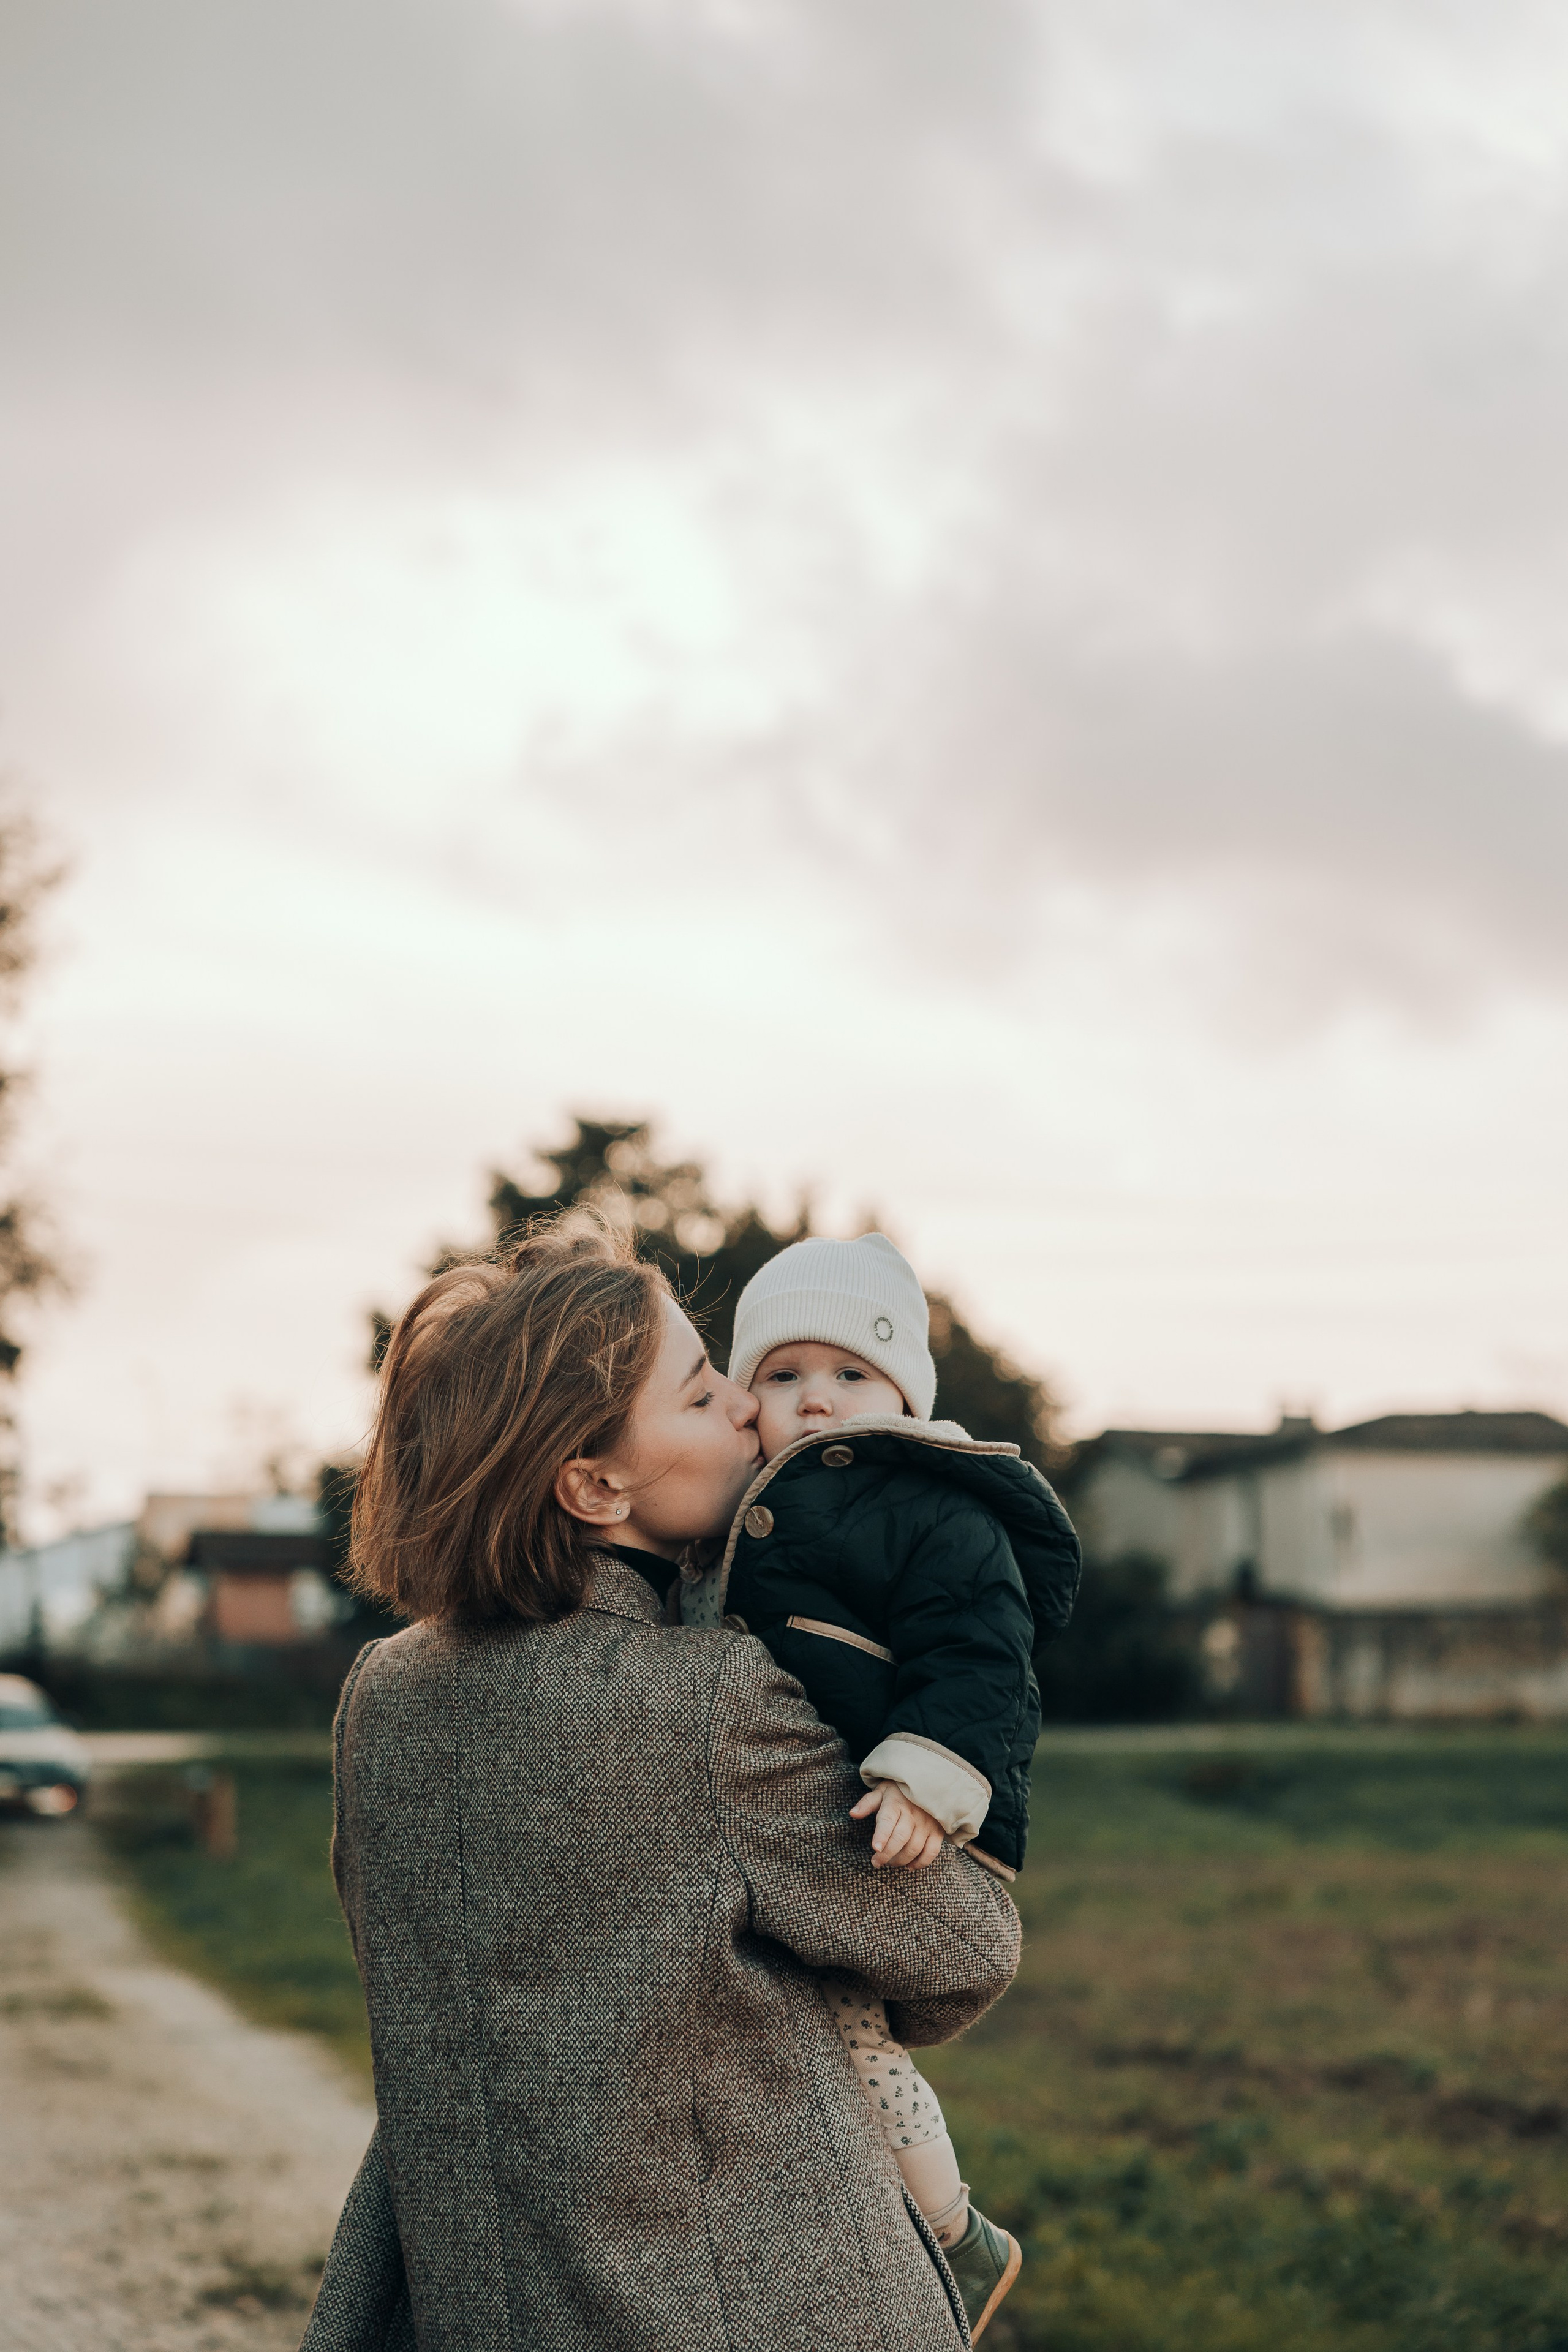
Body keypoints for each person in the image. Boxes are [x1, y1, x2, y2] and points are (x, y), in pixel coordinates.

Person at [300, 1218, 1022, 2352]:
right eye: (699, 1393)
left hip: (460, 2308)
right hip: (741, 2306)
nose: (747, 1405)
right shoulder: (705, 1698)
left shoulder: (381, 1695)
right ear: (595, 1485)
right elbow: (962, 1951)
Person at [680, 1232, 1080, 2309]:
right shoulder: (733, 1504)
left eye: (851, 1373)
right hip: (791, 1818)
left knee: (859, 2048)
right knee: (792, 2043)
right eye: (782, 1375)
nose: (816, 1398)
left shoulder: (932, 1507)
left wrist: (926, 1783)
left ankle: (957, 2237)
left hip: (897, 1813)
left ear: (905, 1394)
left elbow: (978, 1657)